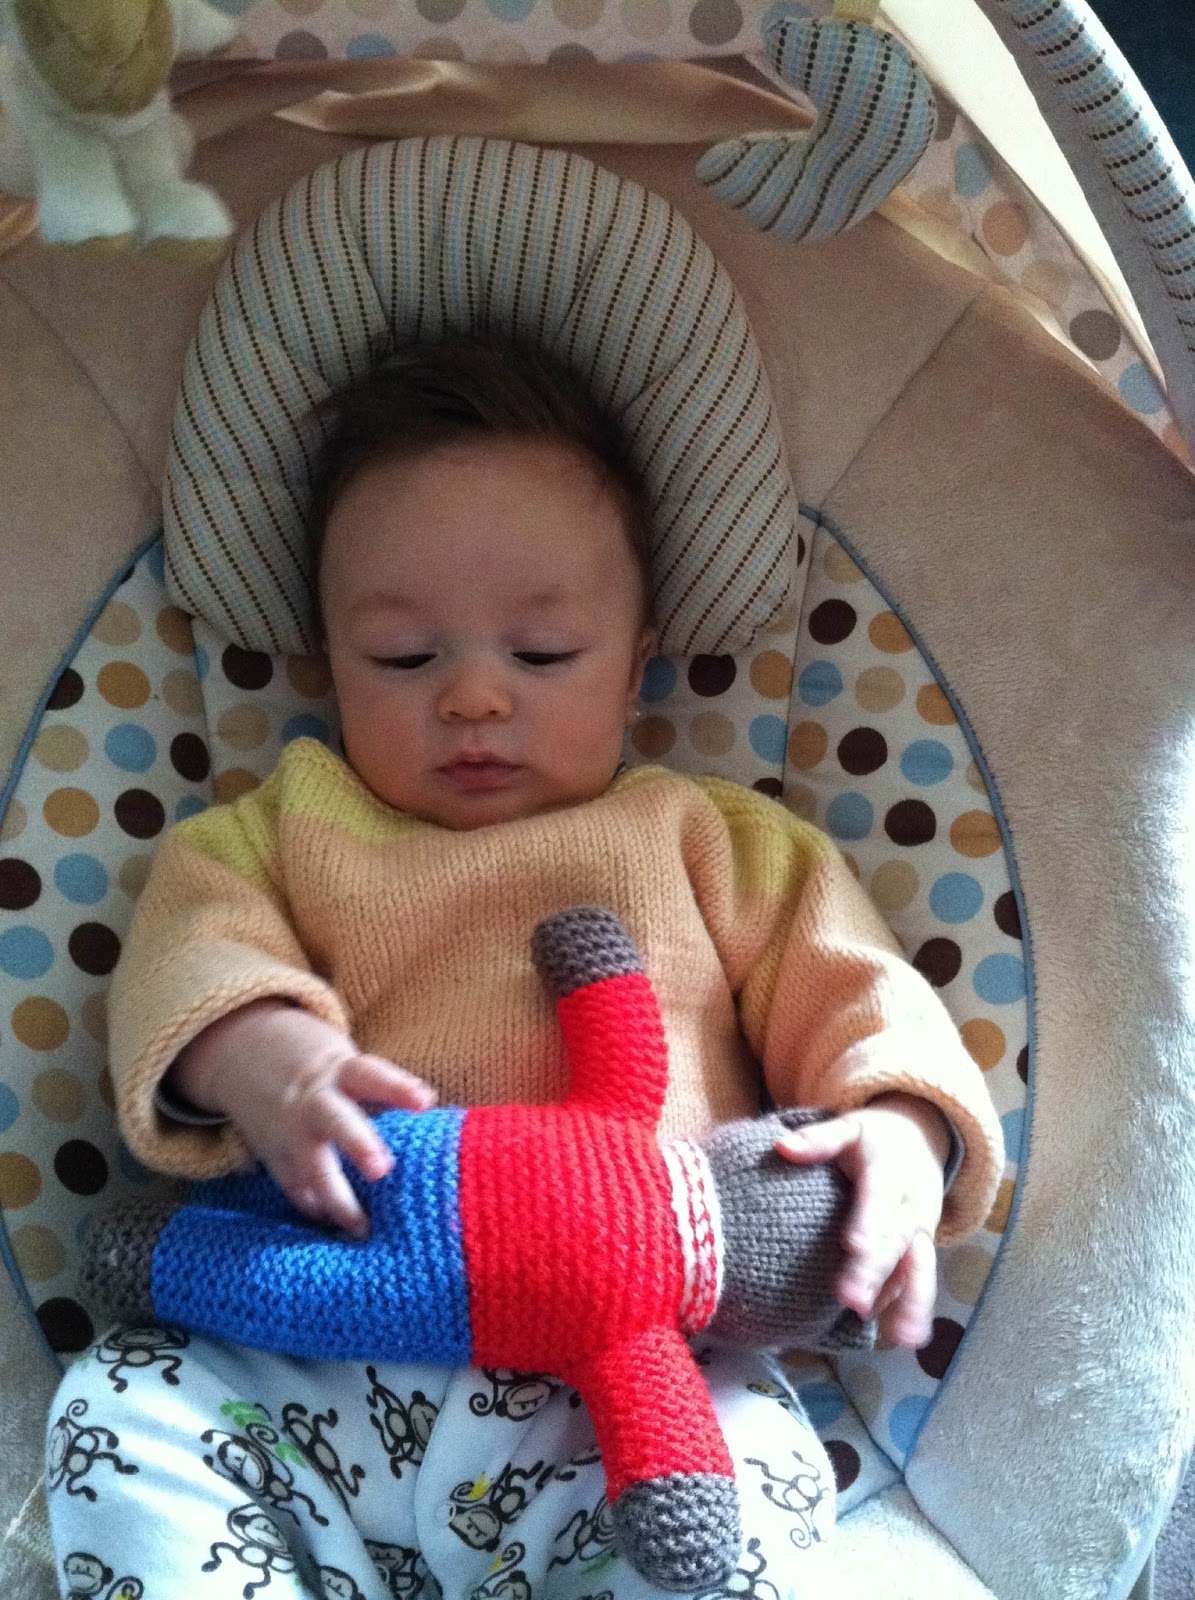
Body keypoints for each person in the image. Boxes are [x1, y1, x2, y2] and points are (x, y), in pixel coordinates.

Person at [47, 338, 1004, 1600]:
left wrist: (902, 1131)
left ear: (639, 657)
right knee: (118, 1405)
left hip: (632, 1399)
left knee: (753, 1497)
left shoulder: (710, 839)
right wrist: (261, 1053)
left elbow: (863, 991)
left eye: (542, 653)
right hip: (314, 1342)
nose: (474, 699)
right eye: (404, 658)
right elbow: (190, 952)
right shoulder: (282, 828)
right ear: (327, 657)